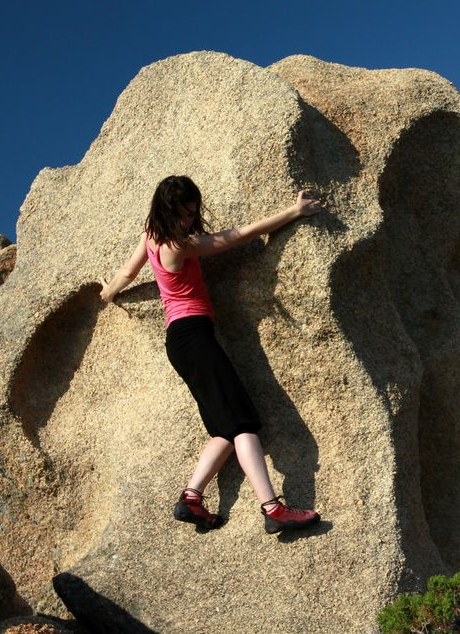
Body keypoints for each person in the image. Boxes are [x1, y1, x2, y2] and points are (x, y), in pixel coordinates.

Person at [99, 175, 323, 534]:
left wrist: (107, 294)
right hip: (195, 337)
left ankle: (191, 498)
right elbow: (237, 236)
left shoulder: (150, 235)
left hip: (181, 341)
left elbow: (128, 271)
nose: (189, 220)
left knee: (223, 427)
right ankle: (272, 508)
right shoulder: (178, 245)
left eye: (192, 213)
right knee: (242, 422)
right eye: (184, 213)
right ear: (168, 209)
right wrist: (294, 211)